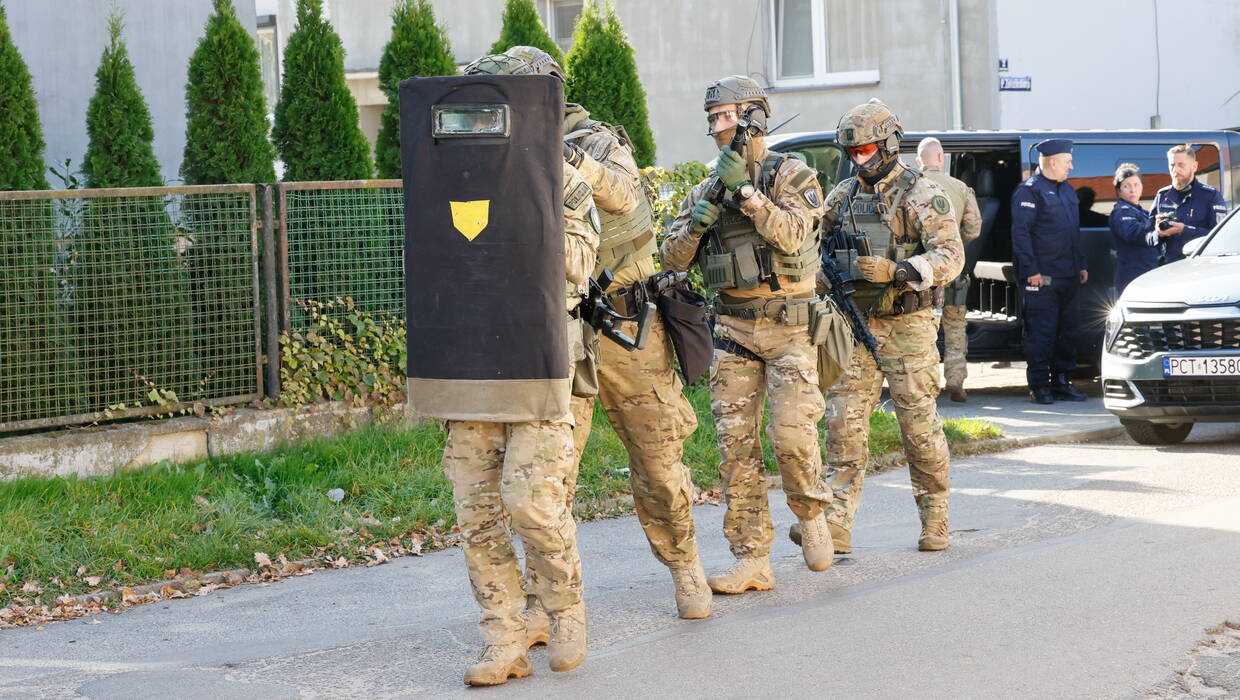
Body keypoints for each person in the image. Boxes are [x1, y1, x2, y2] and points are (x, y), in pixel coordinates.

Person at [499, 46, 712, 630]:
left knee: (658, 461)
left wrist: (562, 156)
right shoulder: (502, 152)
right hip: (563, 332)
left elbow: (623, 194)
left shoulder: (593, 140)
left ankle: (685, 566)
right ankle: (549, 605)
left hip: (627, 328)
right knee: (549, 479)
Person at [441, 53, 601, 687]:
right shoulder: (453, 175)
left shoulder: (564, 179)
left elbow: (578, 265)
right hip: (472, 359)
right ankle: (503, 634)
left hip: (538, 360)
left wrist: (523, 204)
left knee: (530, 502)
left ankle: (562, 610)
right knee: (476, 509)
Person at [661, 75, 834, 593]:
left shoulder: (793, 174)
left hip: (789, 328)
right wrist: (696, 224)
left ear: (754, 117)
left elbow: (793, 232)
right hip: (733, 329)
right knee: (735, 451)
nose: (717, 127)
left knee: (791, 437)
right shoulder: (702, 187)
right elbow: (670, 259)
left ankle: (811, 514)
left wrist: (744, 192)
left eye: (726, 116)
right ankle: (752, 557)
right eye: (712, 118)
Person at [812, 100, 964, 553]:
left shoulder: (921, 194)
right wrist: (822, 276)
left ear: (890, 144)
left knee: (918, 425)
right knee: (842, 424)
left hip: (909, 325)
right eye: (853, 152)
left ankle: (935, 519)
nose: (860, 159)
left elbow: (951, 256)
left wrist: (898, 270)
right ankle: (837, 522)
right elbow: (816, 252)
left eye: (868, 150)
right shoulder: (841, 196)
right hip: (855, 324)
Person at [1010, 138, 1089, 405]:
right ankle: (1040, 386)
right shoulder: (1029, 191)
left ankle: (1063, 382)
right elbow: (1021, 234)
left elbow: (1072, 233)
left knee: (1068, 332)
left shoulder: (1067, 190)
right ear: (1052, 162)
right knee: (1042, 333)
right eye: (1068, 162)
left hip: (1067, 275)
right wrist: (1031, 269)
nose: (1072, 166)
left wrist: (1080, 265)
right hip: (1041, 278)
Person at [915, 137, 981, 403]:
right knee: (955, 326)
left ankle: (925, 385)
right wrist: (954, 245)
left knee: (921, 330)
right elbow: (973, 228)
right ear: (941, 158)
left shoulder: (909, 186)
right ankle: (955, 380)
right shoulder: (961, 188)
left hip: (918, 272)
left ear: (919, 161)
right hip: (953, 270)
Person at [1153, 144, 1227, 263]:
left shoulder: (1210, 195)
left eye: (1181, 165)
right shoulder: (1162, 195)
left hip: (1198, 267)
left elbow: (1219, 236)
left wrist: (1184, 230)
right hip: (1168, 268)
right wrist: (1158, 233)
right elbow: (1147, 236)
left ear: (1194, 166)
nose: (1175, 170)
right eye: (1172, 165)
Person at [1109, 163, 1168, 295]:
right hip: (1133, 274)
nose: (1132, 190)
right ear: (1119, 190)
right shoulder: (1121, 212)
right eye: (1126, 186)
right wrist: (1155, 225)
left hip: (1148, 271)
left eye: (1136, 184)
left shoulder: (1143, 212)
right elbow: (1133, 233)